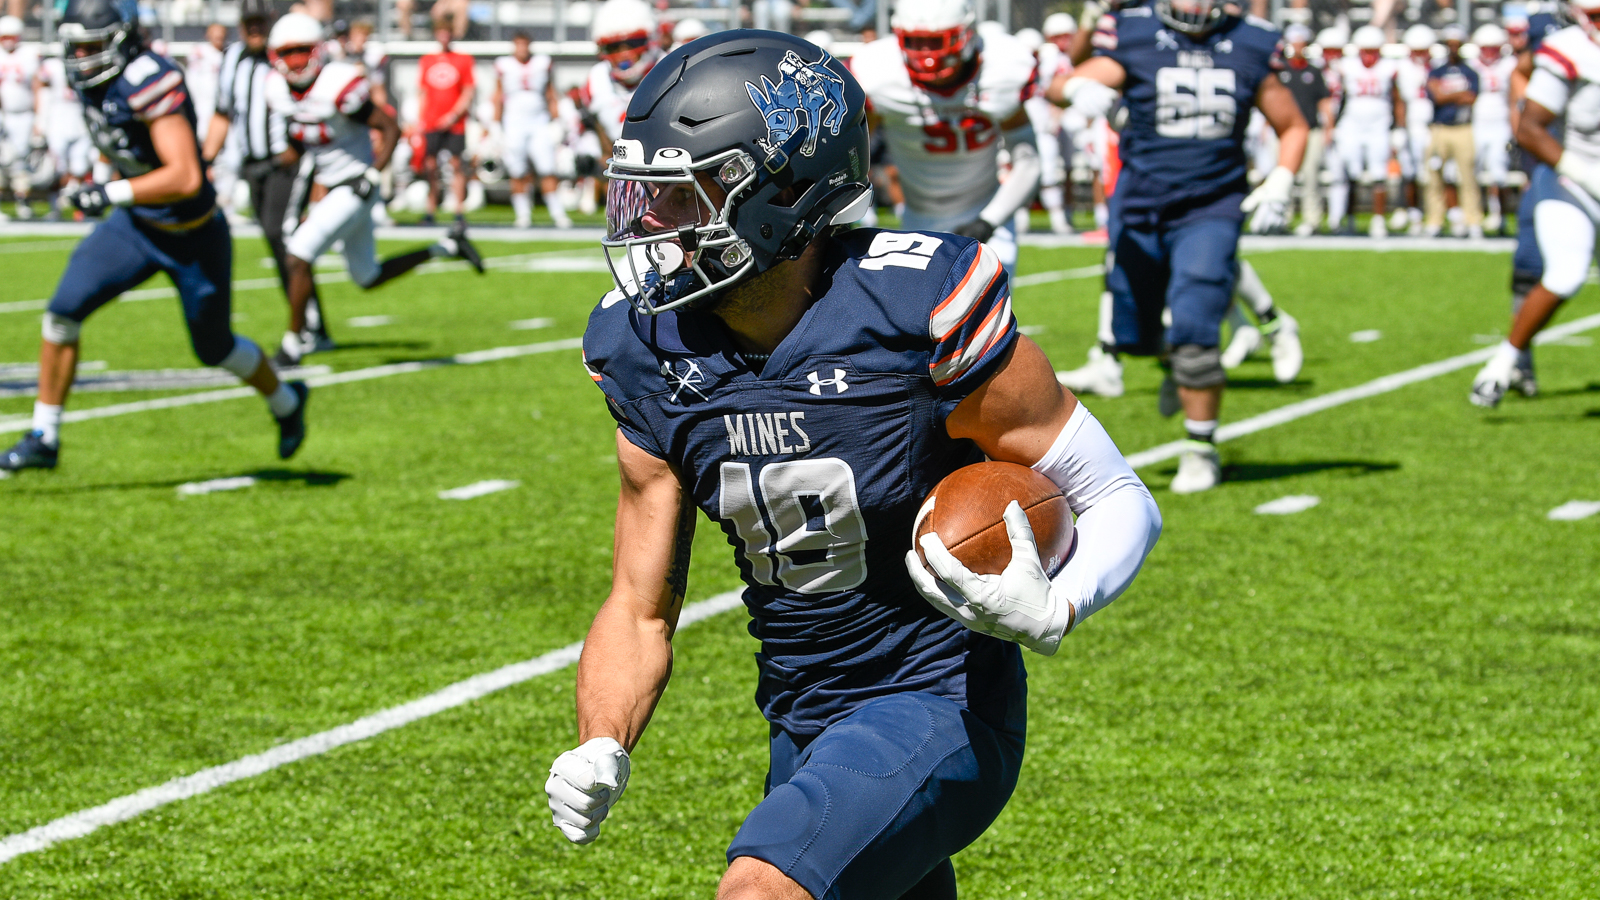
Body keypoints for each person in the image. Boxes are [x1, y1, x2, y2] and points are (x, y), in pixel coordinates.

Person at [547, 31, 1162, 900]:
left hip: (938, 699)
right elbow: (638, 608)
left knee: (760, 890)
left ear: (784, 194)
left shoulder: (908, 308)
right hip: (799, 715)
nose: (650, 220)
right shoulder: (644, 346)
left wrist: (1060, 604)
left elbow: (1116, 493)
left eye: (687, 193)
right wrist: (602, 737)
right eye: (646, 191)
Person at [1, 0, 308, 473]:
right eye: (74, 48)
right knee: (63, 312)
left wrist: (109, 192)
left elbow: (185, 176)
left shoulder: (148, 79)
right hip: (138, 225)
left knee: (215, 348)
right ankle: (45, 434)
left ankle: (287, 402)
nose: (80, 57)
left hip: (193, 234)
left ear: (120, 42)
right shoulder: (96, 81)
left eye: (90, 46)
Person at [1048, 0, 1308, 492]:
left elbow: (1292, 123)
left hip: (1211, 205)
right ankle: (1174, 361)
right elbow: (1059, 86)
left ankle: (1201, 448)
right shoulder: (1136, 31)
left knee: (1196, 324)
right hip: (1141, 206)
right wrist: (1076, 89)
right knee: (1135, 334)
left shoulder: (1250, 41)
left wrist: (1282, 178)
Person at [262, 13, 484, 369]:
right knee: (367, 277)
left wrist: (371, 173)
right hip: (332, 185)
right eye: (288, 52)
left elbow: (389, 127)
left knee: (298, 254)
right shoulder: (276, 90)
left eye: (302, 50)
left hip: (355, 185)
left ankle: (293, 344)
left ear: (317, 50)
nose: (296, 60)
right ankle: (446, 246)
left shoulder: (336, 84)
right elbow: (300, 141)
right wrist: (272, 162)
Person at [851, 0, 1041, 278]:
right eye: (916, 41)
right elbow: (851, 156)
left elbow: (1028, 161)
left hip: (985, 209)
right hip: (917, 218)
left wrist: (989, 220)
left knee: (983, 303)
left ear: (967, 35)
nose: (927, 55)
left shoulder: (1000, 69)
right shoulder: (879, 73)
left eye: (937, 41)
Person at [1471, 3, 1600, 406]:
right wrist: (1588, 177)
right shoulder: (1569, 50)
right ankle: (1503, 365)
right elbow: (1529, 130)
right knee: (1566, 274)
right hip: (1572, 179)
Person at [204, 0, 334, 357]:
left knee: (284, 239)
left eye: (260, 21)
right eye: (249, 22)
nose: (254, 29)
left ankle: (305, 329)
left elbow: (316, 103)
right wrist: (206, 159)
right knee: (279, 245)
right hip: (252, 165)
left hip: (286, 163)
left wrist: (301, 147)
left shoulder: (287, 53)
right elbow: (222, 113)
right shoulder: (232, 59)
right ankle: (312, 325)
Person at [1333, 25, 1403, 238]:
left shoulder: (1389, 68)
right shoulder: (1347, 66)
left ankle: (1378, 220)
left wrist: (1398, 129)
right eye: (1366, 51)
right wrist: (1335, 125)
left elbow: (1397, 100)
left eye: (1373, 51)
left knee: (1379, 175)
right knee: (1350, 174)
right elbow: (1338, 98)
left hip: (1379, 126)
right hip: (1352, 126)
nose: (1369, 56)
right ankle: (1349, 219)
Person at [494, 30, 568, 229]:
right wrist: (495, 124)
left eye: (524, 44)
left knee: (547, 167)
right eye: (518, 44)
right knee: (517, 169)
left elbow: (550, 93)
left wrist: (557, 120)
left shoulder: (542, 63)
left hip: (538, 121)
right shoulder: (504, 65)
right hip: (514, 122)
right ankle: (523, 214)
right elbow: (498, 96)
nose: (522, 49)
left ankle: (557, 213)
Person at [1423, 24, 1481, 237]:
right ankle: (1435, 220)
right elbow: (1437, 96)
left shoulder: (1470, 72)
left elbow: (1471, 98)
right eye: (1450, 44)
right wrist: (1458, 94)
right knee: (1434, 176)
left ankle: (1473, 220)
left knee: (1468, 177)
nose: (1453, 49)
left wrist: (1447, 94)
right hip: (1440, 127)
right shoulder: (1437, 71)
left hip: (1463, 127)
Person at [583, 0, 662, 155]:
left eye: (633, 43)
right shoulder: (597, 78)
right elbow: (599, 132)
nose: (624, 54)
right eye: (613, 47)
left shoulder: (671, 70)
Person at [417, 20, 475, 225]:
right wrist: (420, 119)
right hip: (432, 121)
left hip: (455, 123)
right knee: (430, 166)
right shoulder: (427, 60)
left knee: (456, 165)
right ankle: (431, 209)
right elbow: (423, 92)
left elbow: (468, 91)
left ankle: (458, 211)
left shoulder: (463, 59)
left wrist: (453, 115)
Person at [1277, 23, 1332, 235]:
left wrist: (1329, 127)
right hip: (1285, 130)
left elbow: (1324, 101)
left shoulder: (1313, 71)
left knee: (1311, 176)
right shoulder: (1280, 70)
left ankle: (1312, 219)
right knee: (1284, 176)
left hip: (1310, 129)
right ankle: (1282, 217)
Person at [34, 53, 93, 221]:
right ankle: (55, 207)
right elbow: (40, 85)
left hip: (80, 116)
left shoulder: (86, 62)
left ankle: (80, 207)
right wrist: (40, 121)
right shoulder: (53, 65)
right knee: (56, 167)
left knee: (81, 166)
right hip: (58, 117)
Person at [1391, 24, 1436, 234]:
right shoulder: (1403, 68)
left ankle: (1434, 216)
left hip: (1433, 125)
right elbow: (1399, 100)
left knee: (1433, 173)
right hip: (1411, 125)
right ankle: (1413, 213)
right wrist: (1400, 127)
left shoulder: (1437, 67)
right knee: (1410, 172)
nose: (1420, 55)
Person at [1470, 23, 1514, 233]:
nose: (1489, 53)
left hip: (1501, 122)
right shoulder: (1471, 65)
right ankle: (1475, 216)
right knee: (1473, 169)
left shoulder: (1509, 64)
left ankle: (1499, 215)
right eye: (1485, 48)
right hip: (1477, 122)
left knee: (1499, 172)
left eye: (1493, 48)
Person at [0, 14, 40, 219]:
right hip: (4, 114)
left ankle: (23, 202)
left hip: (24, 115)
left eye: (11, 36)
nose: (7, 40)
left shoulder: (28, 54)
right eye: (4, 36)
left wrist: (39, 119)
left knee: (20, 160)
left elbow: (37, 86)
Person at [187, 22, 227, 142]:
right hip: (202, 104)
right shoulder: (201, 52)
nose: (219, 38)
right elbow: (192, 79)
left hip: (220, 105)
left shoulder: (228, 54)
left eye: (221, 35)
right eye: (215, 34)